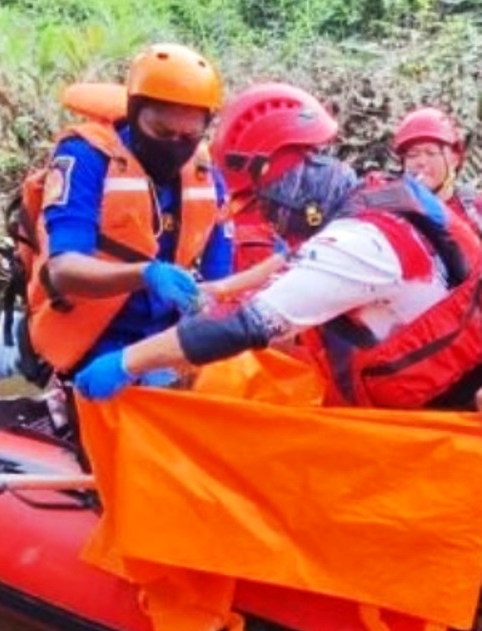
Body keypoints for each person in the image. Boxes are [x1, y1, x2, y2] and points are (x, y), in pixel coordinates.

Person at [75, 82, 482, 410]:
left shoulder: (357, 244)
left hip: (442, 412)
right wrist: (211, 295)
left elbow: (248, 325)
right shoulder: (375, 204)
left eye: (259, 201)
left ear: (288, 186)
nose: (266, 218)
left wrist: (128, 362)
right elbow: (284, 273)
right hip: (438, 394)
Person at [18, 43, 233, 387]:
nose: (175, 144)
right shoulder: (86, 158)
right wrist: (145, 274)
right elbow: (63, 270)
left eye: (189, 135)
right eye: (162, 132)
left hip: (160, 335)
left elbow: (221, 281)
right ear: (134, 114)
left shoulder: (206, 175)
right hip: (91, 334)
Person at [393, 107, 482, 234]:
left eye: (431, 152)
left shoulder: (476, 210)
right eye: (412, 154)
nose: (421, 162)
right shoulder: (392, 216)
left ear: (454, 159)